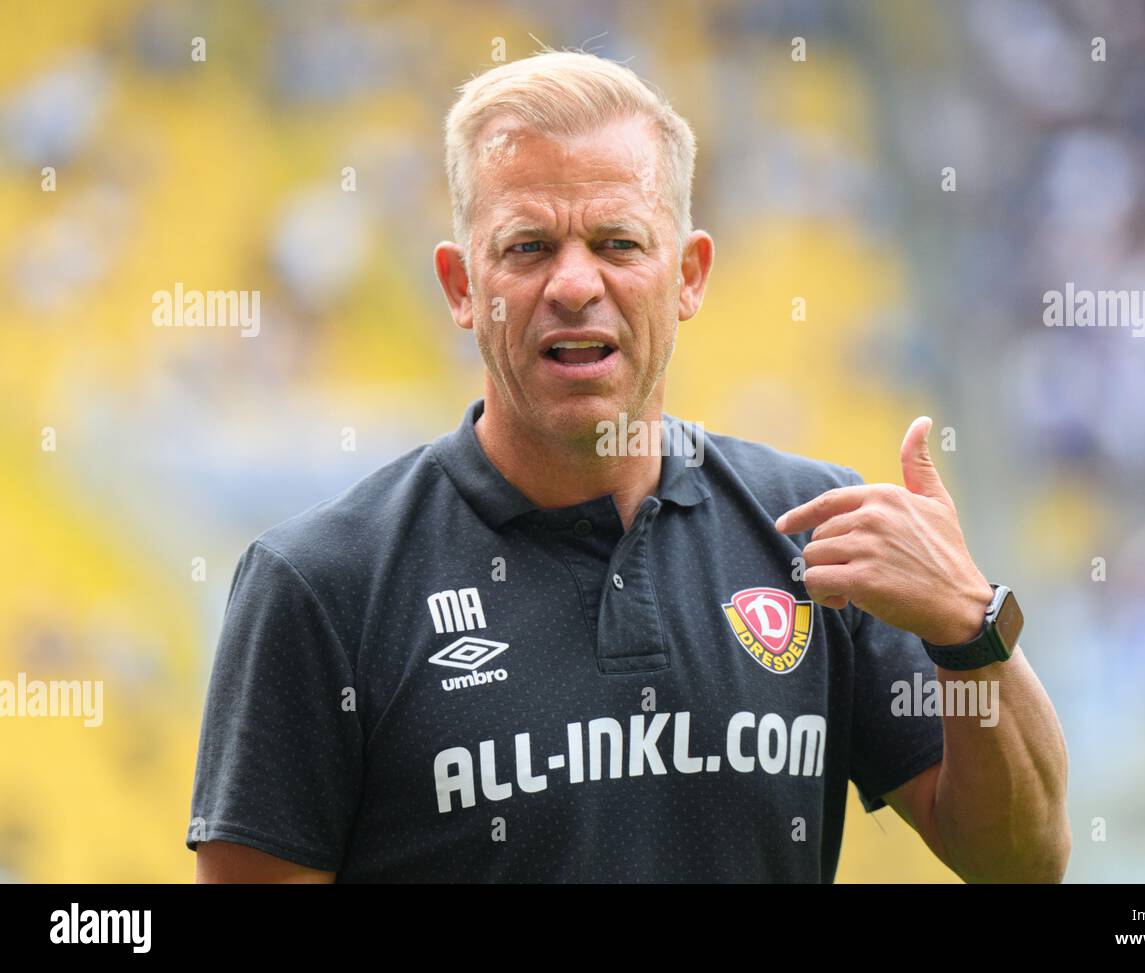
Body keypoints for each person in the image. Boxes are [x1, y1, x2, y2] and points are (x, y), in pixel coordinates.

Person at [188, 50, 1070, 883]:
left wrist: (970, 626)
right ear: (462, 287)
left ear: (688, 275)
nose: (574, 284)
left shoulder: (819, 533)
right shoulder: (318, 587)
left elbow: (1021, 861)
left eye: (618, 243)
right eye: (528, 247)